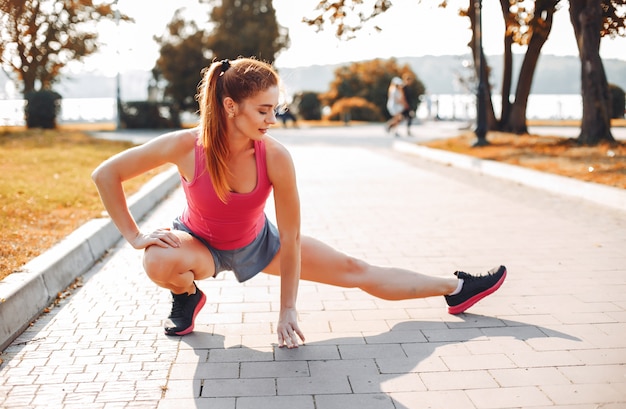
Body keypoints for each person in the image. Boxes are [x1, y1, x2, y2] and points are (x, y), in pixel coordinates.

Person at [92, 57, 507, 349]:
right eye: (264, 110)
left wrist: (287, 309)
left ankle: (455, 288)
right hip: (199, 245)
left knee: (356, 271)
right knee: (156, 261)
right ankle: (187, 295)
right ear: (230, 106)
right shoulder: (186, 145)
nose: (272, 120)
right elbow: (106, 174)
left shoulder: (274, 156)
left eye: (276, 109)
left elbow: (289, 238)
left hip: (262, 244)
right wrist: (134, 236)